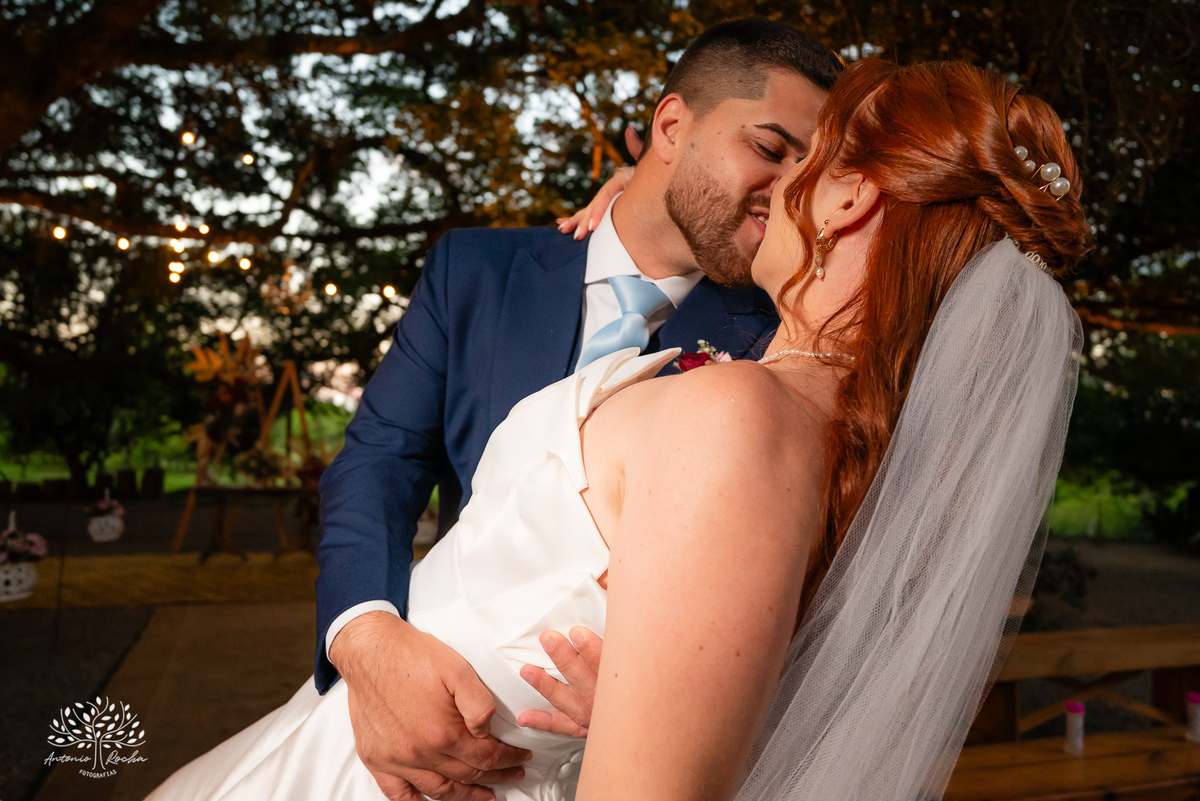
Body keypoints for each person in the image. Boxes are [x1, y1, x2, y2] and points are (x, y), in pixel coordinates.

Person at [147, 57, 1089, 801]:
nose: (779, 187)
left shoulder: (740, 417)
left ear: (849, 198)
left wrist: (635, 739)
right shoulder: (812, 421)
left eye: (807, 157)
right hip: (319, 743)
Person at [313, 18, 842, 801]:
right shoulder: (476, 272)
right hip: (394, 722)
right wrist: (366, 643)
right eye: (769, 149)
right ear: (670, 127)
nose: (789, 187)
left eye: (813, 170)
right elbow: (377, 463)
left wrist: (664, 715)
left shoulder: (785, 346)